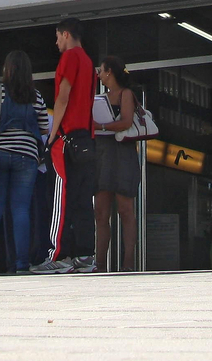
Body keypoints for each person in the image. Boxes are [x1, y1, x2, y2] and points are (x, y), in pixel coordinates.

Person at [0, 50, 52, 274]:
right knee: (21, 209)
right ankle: (21, 264)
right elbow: (45, 127)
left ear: (7, 69)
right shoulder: (35, 96)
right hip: (26, 157)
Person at [33, 17, 96, 274]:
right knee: (82, 199)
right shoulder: (89, 61)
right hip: (86, 138)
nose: (56, 41)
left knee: (60, 196)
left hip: (66, 137)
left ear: (66, 34)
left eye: (58, 36)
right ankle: (84, 255)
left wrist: (51, 134)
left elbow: (63, 96)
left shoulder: (70, 58)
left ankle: (57, 255)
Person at [92, 56, 141, 273]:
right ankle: (100, 263)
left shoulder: (126, 94)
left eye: (101, 71)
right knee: (101, 212)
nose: (99, 75)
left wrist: (101, 125)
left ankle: (128, 262)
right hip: (103, 154)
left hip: (122, 153)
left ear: (109, 72)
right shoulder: (100, 98)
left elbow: (127, 121)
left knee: (125, 209)